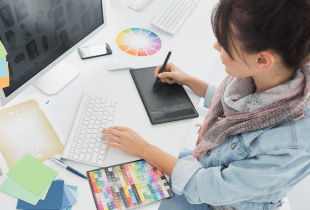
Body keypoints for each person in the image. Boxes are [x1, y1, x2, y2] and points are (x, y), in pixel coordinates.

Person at [101, 0, 310, 210]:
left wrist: (144, 148)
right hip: (206, 165)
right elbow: (242, 105)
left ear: (263, 60)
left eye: (225, 43)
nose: (216, 46)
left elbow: (207, 187)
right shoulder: (277, 77)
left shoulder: (293, 144)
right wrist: (188, 80)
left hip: (220, 200)